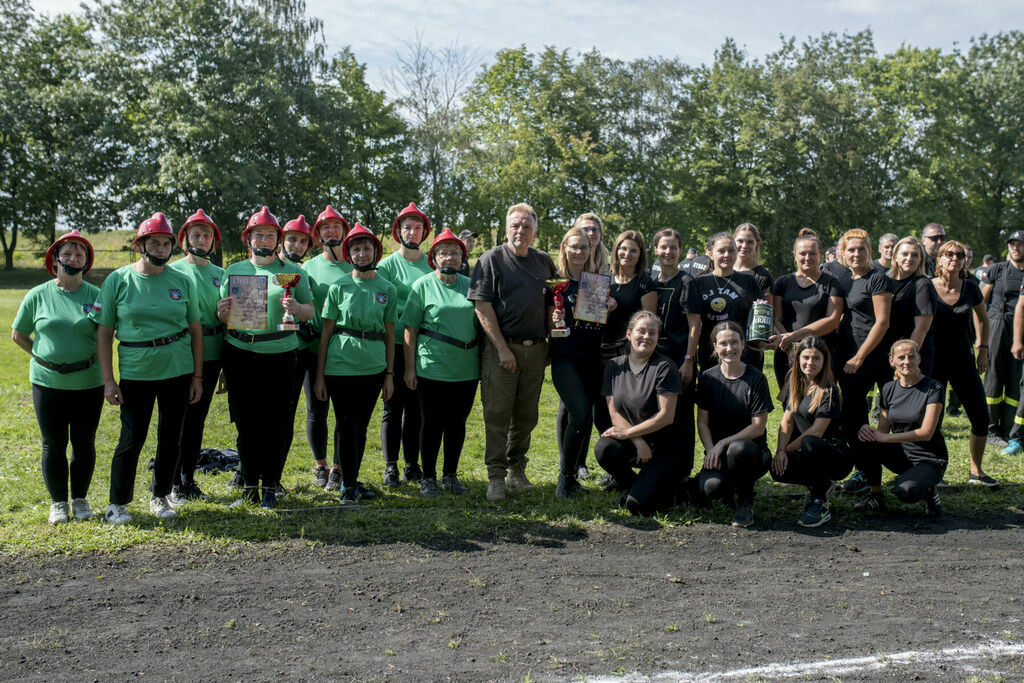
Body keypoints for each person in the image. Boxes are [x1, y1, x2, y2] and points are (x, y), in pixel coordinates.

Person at [92, 213, 203, 523]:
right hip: (136, 372)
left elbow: (195, 330)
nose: (161, 248)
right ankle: (117, 504)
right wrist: (108, 381)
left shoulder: (181, 280)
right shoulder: (118, 280)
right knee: (132, 437)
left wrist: (196, 376)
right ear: (140, 244)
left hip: (177, 370)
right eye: (154, 242)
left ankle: (161, 495)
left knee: (171, 437)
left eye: (167, 243)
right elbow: (103, 332)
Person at [217, 207, 314, 509]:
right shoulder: (233, 271)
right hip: (241, 354)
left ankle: (270, 486)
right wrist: (221, 313)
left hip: (280, 353)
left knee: (275, 423)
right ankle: (249, 488)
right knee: (246, 424)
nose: (264, 238)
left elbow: (311, 311)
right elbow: (223, 316)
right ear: (248, 238)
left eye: (270, 234)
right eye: (258, 233)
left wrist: (297, 308)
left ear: (278, 240)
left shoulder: (294, 273)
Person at [12, 230, 103, 524]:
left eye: (80, 254)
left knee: (84, 442)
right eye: (67, 253)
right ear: (56, 259)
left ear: (86, 261)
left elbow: (107, 335)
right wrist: (43, 358)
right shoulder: (38, 295)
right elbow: (18, 334)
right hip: (48, 383)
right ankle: (58, 504)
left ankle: (79, 500)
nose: (73, 258)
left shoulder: (97, 296)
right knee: (53, 444)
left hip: (89, 381)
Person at [468, 203, 557, 503]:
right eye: (515, 225)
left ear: (535, 231)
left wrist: (550, 337)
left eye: (527, 226)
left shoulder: (543, 262)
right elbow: (482, 306)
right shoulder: (490, 260)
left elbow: (552, 302)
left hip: (536, 351)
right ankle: (495, 476)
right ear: (506, 228)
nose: (521, 231)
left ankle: (516, 469)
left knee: (526, 415)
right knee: (497, 414)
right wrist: (503, 349)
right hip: (500, 351)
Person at [314, 223, 396, 504]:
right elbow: (326, 333)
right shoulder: (339, 287)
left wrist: (389, 374)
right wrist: (320, 376)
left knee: (360, 427)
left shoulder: (387, 288)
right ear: (349, 253)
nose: (362, 253)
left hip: (373, 367)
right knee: (346, 424)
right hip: (340, 366)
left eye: (367, 248)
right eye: (356, 249)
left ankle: (351, 480)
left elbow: (390, 334)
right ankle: (347, 485)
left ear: (376, 251)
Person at [402, 228, 479, 497]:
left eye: (455, 253)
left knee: (457, 423)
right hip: (432, 366)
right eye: (443, 253)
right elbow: (409, 328)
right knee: (432, 423)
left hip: (466, 368)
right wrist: (409, 368)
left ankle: (450, 474)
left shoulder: (471, 286)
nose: (449, 257)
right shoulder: (421, 285)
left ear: (462, 257)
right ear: (434, 257)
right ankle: (429, 478)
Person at [594, 311, 683, 516]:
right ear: (628, 334)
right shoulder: (614, 366)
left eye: (652, 333)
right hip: (638, 443)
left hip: (666, 447)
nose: (646, 337)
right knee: (604, 447)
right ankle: (635, 484)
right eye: (641, 331)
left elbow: (666, 416)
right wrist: (637, 440)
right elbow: (614, 411)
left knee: (637, 507)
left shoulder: (665, 367)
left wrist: (628, 434)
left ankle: (673, 489)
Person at [692, 321, 774, 528]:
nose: (730, 349)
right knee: (712, 489)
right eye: (723, 344)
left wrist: (722, 444)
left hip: (751, 453)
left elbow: (758, 427)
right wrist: (711, 450)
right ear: (715, 347)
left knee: (738, 448)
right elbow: (702, 422)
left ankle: (745, 502)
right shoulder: (708, 378)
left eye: (734, 342)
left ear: (743, 344)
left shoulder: (756, 378)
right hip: (719, 454)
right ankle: (727, 488)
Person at [853, 339, 946, 516]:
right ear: (892, 361)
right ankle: (875, 496)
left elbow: (926, 433)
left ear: (919, 358)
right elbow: (882, 431)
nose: (906, 362)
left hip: (929, 458)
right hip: (901, 455)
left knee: (905, 492)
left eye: (911, 356)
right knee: (865, 439)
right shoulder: (888, 388)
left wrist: (884, 438)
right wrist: (869, 431)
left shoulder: (934, 387)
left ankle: (929, 492)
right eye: (901, 357)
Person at [169, 209, 224, 503]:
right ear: (185, 240)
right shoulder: (173, 272)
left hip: (213, 353)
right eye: (195, 234)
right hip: (182, 353)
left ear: (213, 242)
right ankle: (172, 482)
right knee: (179, 419)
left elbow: (230, 321)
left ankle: (188, 479)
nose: (201, 239)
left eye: (206, 235)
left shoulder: (221, 275)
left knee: (197, 419)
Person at [377, 203, 434, 487]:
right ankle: (390, 466)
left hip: (424, 345)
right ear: (398, 232)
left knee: (417, 409)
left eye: (418, 227)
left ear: (425, 231)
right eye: (407, 227)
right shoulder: (386, 266)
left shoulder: (432, 264)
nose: (412, 232)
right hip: (395, 344)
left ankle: (412, 464)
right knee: (393, 406)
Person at [929, 240, 995, 483]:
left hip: (963, 361)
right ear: (940, 260)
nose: (954, 258)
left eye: (959, 255)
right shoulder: (927, 286)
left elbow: (984, 320)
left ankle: (976, 470)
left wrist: (983, 349)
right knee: (931, 421)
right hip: (932, 362)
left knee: (980, 416)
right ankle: (934, 470)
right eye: (949, 254)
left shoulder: (970, 288)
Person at [771, 337, 852, 527]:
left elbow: (816, 431)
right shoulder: (794, 383)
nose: (810, 363)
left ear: (824, 362)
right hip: (808, 451)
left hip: (836, 455)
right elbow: (787, 422)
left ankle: (820, 501)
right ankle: (821, 484)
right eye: (806, 357)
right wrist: (780, 452)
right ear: (798, 359)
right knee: (777, 470)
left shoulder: (829, 390)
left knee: (809, 443)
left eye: (816, 358)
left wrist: (788, 450)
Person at [548, 227, 604, 497]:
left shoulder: (597, 282)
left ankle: (570, 477)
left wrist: (611, 307)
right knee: (579, 413)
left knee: (585, 417)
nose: (580, 252)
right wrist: (553, 321)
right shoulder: (554, 283)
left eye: (584, 247)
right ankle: (563, 478)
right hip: (564, 357)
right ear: (565, 248)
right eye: (575, 247)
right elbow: (545, 319)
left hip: (592, 357)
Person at [301, 205, 351, 489]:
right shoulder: (308, 268)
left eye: (336, 226)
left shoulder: (356, 264)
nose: (331, 231)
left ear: (344, 231)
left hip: (345, 349)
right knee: (316, 409)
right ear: (318, 234)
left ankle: (338, 467)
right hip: (312, 346)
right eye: (325, 227)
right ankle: (320, 464)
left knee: (343, 412)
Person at [650, 228, 699, 483]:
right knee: (656, 415)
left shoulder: (687, 282)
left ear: (680, 251)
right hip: (654, 361)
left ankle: (682, 473)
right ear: (656, 249)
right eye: (664, 247)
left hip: (679, 360)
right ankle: (658, 466)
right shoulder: (652, 283)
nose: (668, 252)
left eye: (673, 248)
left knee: (681, 418)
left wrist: (688, 361)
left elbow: (694, 325)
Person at [597, 230, 658, 431]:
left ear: (641, 254)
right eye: (623, 249)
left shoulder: (644, 283)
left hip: (627, 353)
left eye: (633, 250)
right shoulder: (604, 279)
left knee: (623, 404)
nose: (627, 254)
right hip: (600, 349)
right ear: (615, 251)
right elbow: (592, 315)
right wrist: (605, 309)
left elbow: (650, 322)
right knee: (601, 406)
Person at [771, 228, 844, 387]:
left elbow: (832, 320)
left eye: (812, 253)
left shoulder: (832, 283)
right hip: (787, 352)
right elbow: (776, 319)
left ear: (820, 254)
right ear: (795, 256)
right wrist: (789, 346)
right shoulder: (782, 283)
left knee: (820, 403)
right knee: (789, 404)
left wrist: (796, 336)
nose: (807, 257)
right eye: (802, 253)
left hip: (821, 353)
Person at [687, 232, 764, 371]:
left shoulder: (749, 281)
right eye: (721, 251)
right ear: (710, 254)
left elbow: (761, 316)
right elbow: (694, 323)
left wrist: (760, 345)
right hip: (711, 354)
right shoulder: (699, 283)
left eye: (731, 250)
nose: (726, 255)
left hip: (744, 354)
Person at [981, 230, 1024, 448]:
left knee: (1016, 381)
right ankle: (990, 429)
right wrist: (981, 336)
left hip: (1021, 329)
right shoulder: (997, 269)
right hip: (998, 323)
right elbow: (980, 301)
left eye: (1020, 244)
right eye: (1012, 244)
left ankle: (1009, 429)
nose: (1016, 248)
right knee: (994, 378)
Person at [886, 236, 936, 374]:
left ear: (921, 259)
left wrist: (905, 360)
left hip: (912, 357)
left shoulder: (923, 284)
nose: (909, 258)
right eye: (904, 254)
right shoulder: (885, 281)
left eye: (915, 255)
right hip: (888, 352)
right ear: (895, 257)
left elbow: (921, 329)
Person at [733, 223, 774, 306]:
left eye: (750, 242)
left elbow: (768, 312)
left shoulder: (763, 276)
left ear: (757, 244)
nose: (744, 246)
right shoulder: (723, 270)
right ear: (733, 241)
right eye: (740, 241)